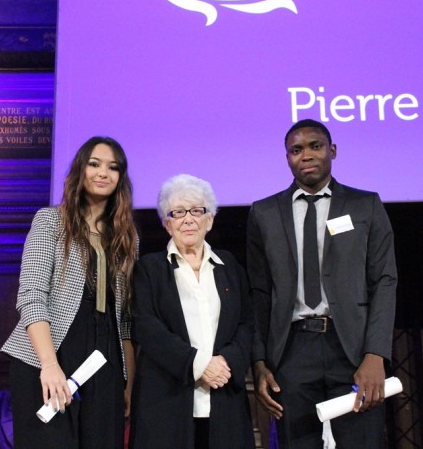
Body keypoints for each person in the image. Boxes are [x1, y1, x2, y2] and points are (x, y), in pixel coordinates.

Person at [247, 119, 397, 448]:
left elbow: (384, 281)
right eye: (296, 150)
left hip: (354, 350)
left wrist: (375, 355)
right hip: (291, 353)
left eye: (315, 146)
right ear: (287, 158)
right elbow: (258, 294)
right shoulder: (264, 213)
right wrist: (259, 363)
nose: (307, 155)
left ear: (332, 150)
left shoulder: (365, 205)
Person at [0, 136, 138, 448]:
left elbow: (126, 320)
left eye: (113, 167)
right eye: (94, 164)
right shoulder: (50, 221)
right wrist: (48, 365)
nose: (103, 173)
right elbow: (32, 296)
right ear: (80, 170)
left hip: (106, 358)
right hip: (51, 351)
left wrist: (128, 382)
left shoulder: (127, 238)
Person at [129, 174, 255, 449]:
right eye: (178, 212)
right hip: (166, 402)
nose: (188, 219)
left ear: (209, 219)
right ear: (167, 223)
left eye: (197, 210)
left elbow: (247, 323)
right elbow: (146, 327)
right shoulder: (149, 269)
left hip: (225, 397)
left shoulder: (229, 266)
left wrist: (227, 361)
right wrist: (199, 365)